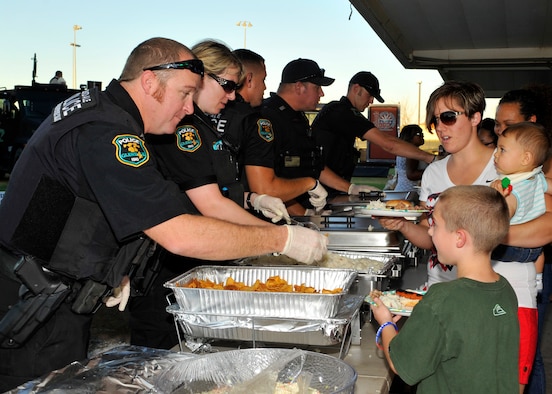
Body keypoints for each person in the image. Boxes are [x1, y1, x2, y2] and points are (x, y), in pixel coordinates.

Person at [0, 37, 327, 390]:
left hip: (46, 292)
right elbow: (179, 233)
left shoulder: (105, 114)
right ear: (149, 81)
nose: (189, 109)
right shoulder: (108, 131)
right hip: (32, 306)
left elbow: (95, 203)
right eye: (185, 93)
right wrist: (283, 238)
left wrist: (111, 269)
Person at [130, 40, 291, 350]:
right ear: (202, 77)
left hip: (195, 266)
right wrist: (280, 238)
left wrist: (251, 200)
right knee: (162, 361)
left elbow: (215, 189)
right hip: (168, 272)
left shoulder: (202, 126)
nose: (232, 96)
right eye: (228, 85)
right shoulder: (182, 129)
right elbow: (209, 204)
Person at [371, 185, 519, 393]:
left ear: (459, 238)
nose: (430, 231)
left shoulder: (442, 299)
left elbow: (401, 364)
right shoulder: (506, 290)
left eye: (436, 225)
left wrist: (385, 323)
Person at [211, 49, 328, 215]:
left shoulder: (208, 116)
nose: (265, 87)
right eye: (263, 79)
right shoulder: (256, 121)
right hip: (241, 219)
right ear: (249, 79)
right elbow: (264, 188)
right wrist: (310, 184)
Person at [259, 59, 375, 215]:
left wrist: (350, 188)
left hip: (299, 208)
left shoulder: (297, 118)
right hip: (274, 216)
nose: (322, 93)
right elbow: (266, 185)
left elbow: (314, 164)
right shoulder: (266, 118)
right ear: (299, 87)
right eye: (317, 87)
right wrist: (304, 216)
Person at [493, 87, 552, 394]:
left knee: (525, 356)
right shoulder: (524, 170)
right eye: (497, 125)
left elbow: (511, 208)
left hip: (519, 266)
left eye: (507, 124)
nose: (499, 132)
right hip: (514, 267)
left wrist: (492, 222)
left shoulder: (521, 180)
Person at [311, 71, 435, 197]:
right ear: (356, 89)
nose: (371, 101)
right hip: (318, 191)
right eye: (370, 95)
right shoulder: (341, 112)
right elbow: (388, 143)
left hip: (328, 189)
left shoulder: (342, 113)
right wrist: (431, 158)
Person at [394, 124, 427, 191]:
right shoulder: (412, 152)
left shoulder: (402, 150)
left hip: (402, 190)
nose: (422, 135)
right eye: (418, 133)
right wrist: (431, 170)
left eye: (422, 133)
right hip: (409, 192)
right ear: (409, 137)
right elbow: (411, 175)